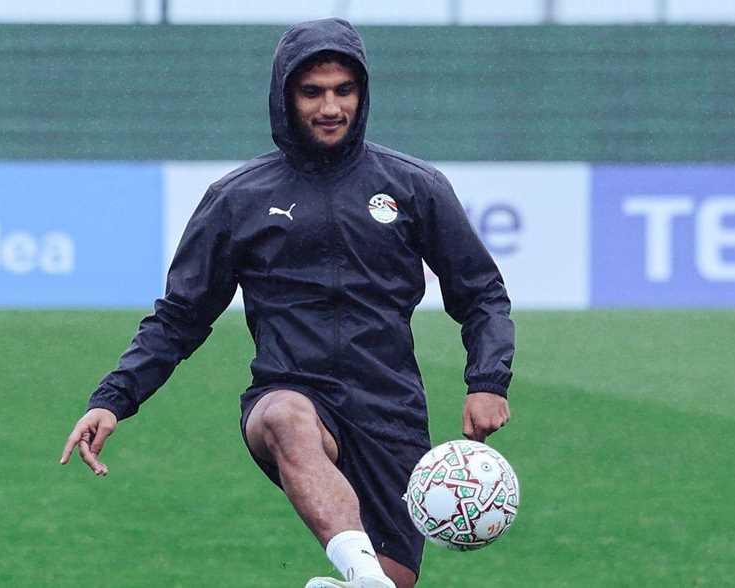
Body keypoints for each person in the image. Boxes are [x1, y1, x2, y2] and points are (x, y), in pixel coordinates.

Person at [59, 17, 514, 588]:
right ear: (284, 96)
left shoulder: (414, 186)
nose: (330, 107)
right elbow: (179, 318)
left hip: (389, 413)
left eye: (344, 90)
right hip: (288, 395)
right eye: (312, 92)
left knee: (391, 581)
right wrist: (113, 398)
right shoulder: (237, 198)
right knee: (285, 416)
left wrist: (488, 380)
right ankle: (359, 570)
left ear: (362, 94)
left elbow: (481, 292)